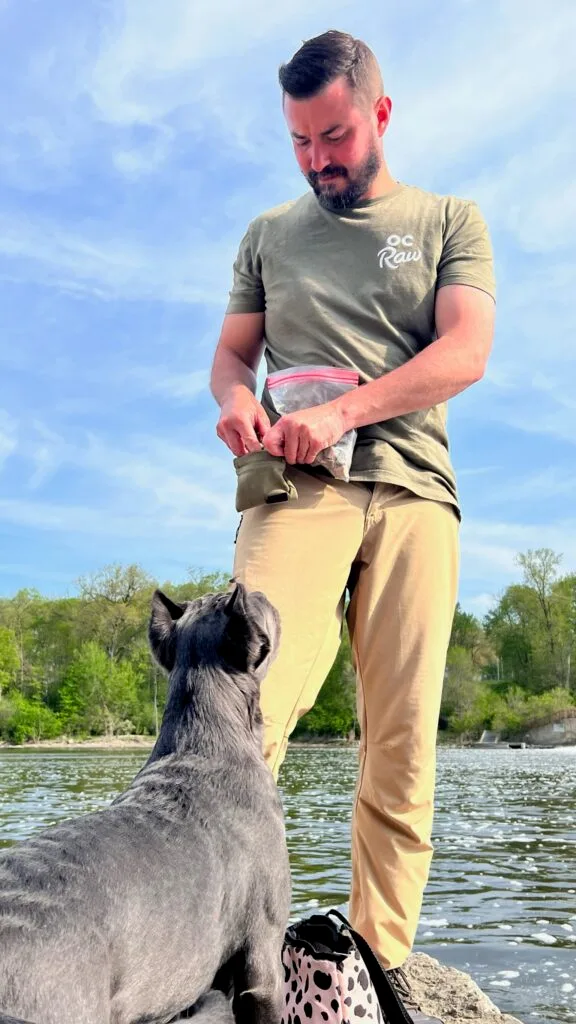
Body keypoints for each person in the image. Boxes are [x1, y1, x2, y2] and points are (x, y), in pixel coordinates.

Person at [209, 29, 495, 1024]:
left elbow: (465, 350)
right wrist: (237, 404)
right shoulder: (265, 236)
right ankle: (218, 948)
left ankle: (368, 967)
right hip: (295, 491)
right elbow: (230, 360)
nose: (317, 158)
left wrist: (347, 408)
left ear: (378, 113)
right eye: (298, 141)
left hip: (416, 491)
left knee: (403, 739)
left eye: (332, 134)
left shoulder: (449, 219)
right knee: (238, 715)